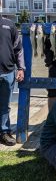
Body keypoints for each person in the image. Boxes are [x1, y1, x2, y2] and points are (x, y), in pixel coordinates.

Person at [0, 16, 25, 146]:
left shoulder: (9, 25)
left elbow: (18, 48)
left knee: (5, 105)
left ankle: (4, 132)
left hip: (7, 71)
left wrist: (21, 68)